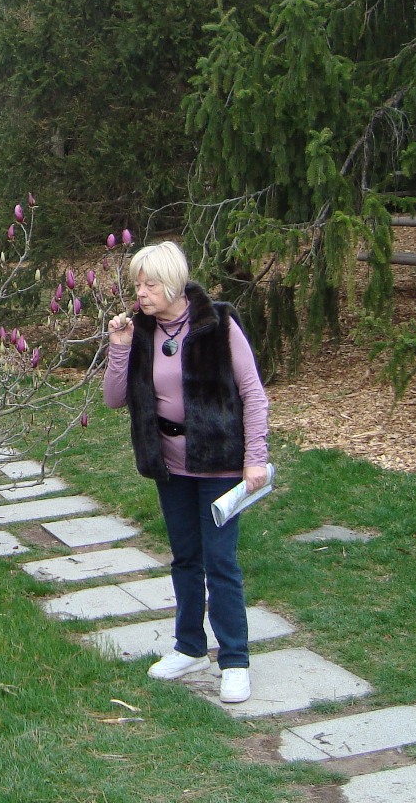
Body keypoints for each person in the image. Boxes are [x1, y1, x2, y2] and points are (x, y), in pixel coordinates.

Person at [103, 241, 270, 704]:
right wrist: (119, 348)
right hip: (170, 465)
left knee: (220, 563)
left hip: (219, 463)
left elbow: (253, 394)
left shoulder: (218, 324)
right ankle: (190, 647)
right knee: (184, 558)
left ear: (174, 284)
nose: (141, 293)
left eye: (150, 284)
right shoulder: (139, 330)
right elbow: (114, 398)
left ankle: (234, 660)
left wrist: (255, 457)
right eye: (138, 284)